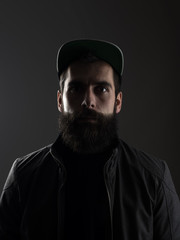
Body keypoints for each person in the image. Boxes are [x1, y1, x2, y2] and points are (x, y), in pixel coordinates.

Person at [0, 39, 180, 240]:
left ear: (118, 102)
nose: (88, 102)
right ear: (60, 100)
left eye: (101, 89)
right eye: (76, 88)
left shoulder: (154, 179)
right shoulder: (23, 177)